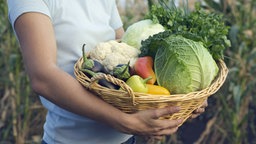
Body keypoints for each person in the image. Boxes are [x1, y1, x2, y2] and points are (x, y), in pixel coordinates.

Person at [7, 0, 207, 144]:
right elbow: (44, 77)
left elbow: (130, 56)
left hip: (126, 140)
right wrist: (125, 122)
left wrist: (180, 100)